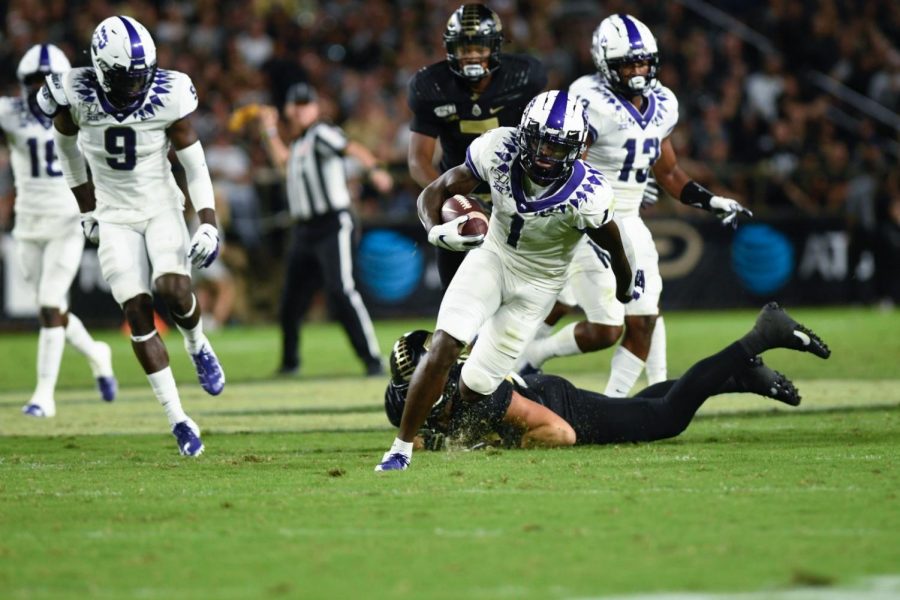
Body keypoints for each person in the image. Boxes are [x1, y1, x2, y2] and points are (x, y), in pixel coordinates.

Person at [375, 90, 639, 472]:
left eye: (558, 147)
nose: (547, 155)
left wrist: (625, 284)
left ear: (577, 149)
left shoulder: (588, 193)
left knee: (477, 385)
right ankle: (400, 449)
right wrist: (436, 231)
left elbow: (614, 245)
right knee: (445, 343)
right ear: (525, 133)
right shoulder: (499, 147)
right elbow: (435, 192)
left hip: (538, 285)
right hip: (493, 258)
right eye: (542, 143)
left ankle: (452, 430)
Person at [517, 14, 753, 396]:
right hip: (587, 217)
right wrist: (597, 195)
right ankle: (531, 357)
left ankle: (621, 405)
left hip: (629, 220)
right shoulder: (589, 98)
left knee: (644, 319)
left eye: (642, 62)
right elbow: (565, 163)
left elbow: (670, 171)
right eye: (627, 63)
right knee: (602, 326)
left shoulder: (663, 102)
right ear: (605, 63)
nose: (637, 71)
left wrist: (710, 200)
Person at [38, 16, 225, 456]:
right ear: (102, 69)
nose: (140, 82)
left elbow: (193, 164)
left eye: (145, 73)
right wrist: (86, 210)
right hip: (113, 214)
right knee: (138, 312)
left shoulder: (169, 92)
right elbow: (67, 153)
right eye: (129, 76)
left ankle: (198, 343)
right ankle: (178, 418)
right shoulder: (73, 93)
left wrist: (209, 223)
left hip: (161, 204)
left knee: (174, 289)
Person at [384, 302, 831, 450]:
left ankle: (757, 339)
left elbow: (558, 433)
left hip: (556, 408)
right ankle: (738, 377)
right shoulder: (402, 401)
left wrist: (494, 444)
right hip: (540, 399)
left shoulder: (478, 390)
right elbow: (419, 437)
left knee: (665, 419)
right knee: (639, 407)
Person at [1, 44, 117, 417]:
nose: (39, 89)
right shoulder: (10, 114)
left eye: (45, 82)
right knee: (53, 310)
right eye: (33, 82)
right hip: (27, 225)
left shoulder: (81, 113)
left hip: (67, 221)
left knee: (51, 306)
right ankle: (97, 353)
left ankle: (43, 396)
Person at [407, 3, 547, 287]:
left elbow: (542, 139)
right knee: (456, 295)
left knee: (527, 293)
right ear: (450, 49)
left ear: (495, 47)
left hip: (515, 193)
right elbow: (418, 160)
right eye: (463, 47)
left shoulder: (523, 78)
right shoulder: (432, 86)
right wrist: (452, 199)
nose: (471, 55)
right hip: (458, 189)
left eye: (479, 47)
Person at [257, 82, 392, 377]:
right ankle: (289, 363)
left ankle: (372, 359)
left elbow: (351, 147)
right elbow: (284, 163)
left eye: (307, 104)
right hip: (304, 230)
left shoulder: (321, 132)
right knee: (291, 300)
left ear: (315, 108)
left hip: (332, 223)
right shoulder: (298, 143)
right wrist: (268, 131)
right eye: (298, 104)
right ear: (289, 110)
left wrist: (374, 169)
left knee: (340, 291)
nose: (303, 110)